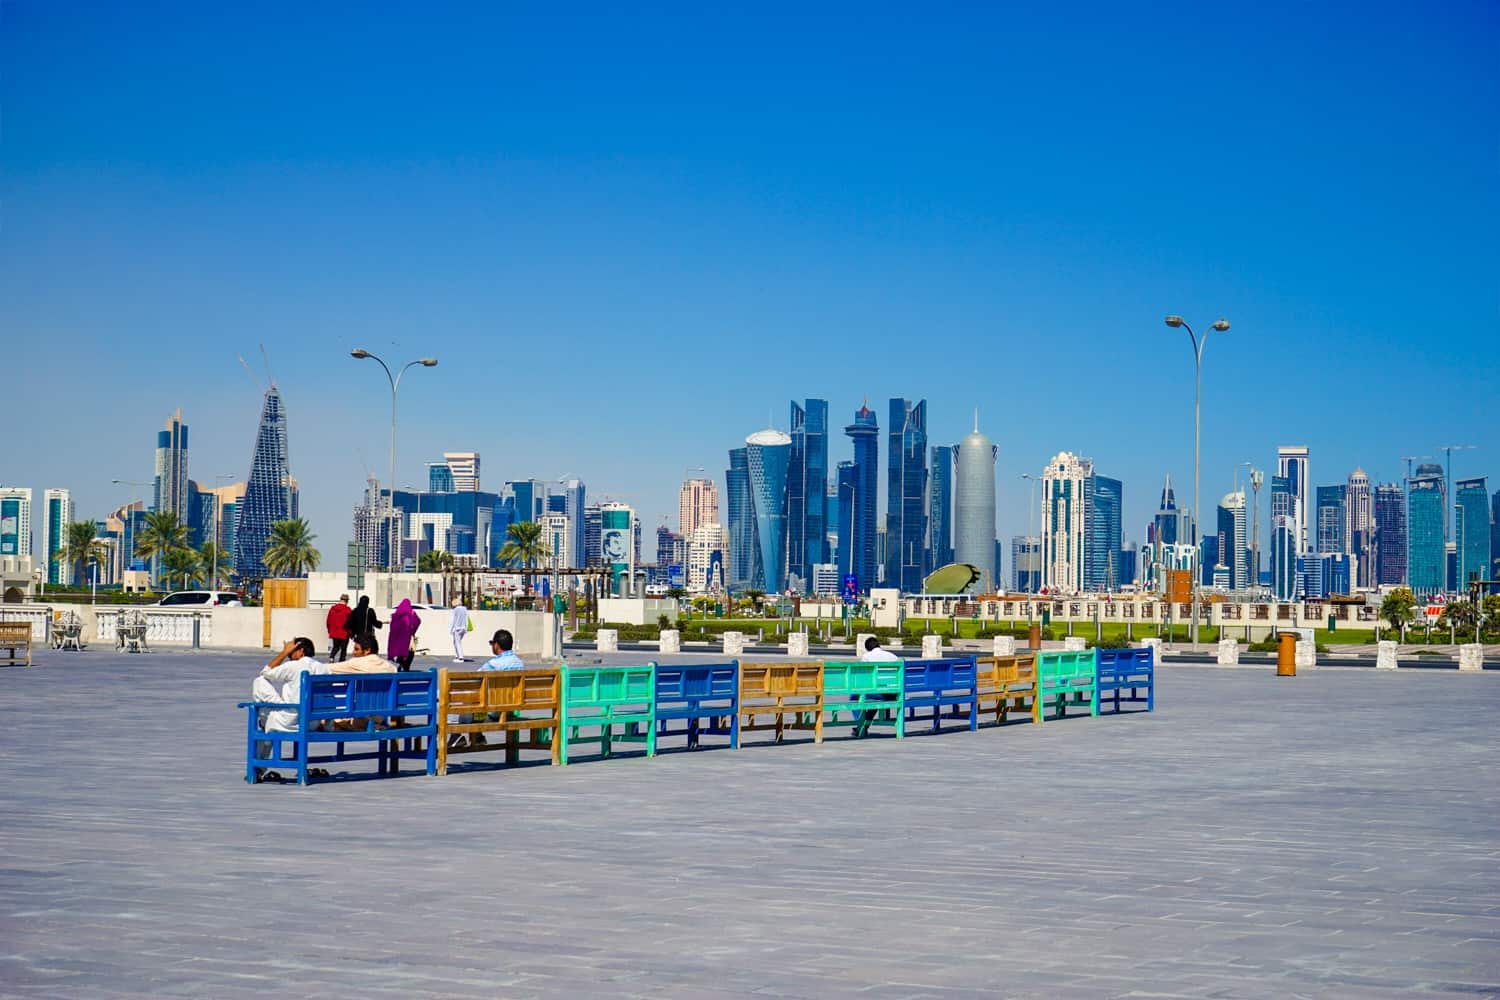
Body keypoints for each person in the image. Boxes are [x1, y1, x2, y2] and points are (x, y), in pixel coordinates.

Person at [249, 637, 328, 783]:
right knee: (268, 719)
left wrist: (284, 653)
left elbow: (266, 672)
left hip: (290, 721)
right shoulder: (324, 668)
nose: (290, 655)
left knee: (259, 682)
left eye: (292, 650)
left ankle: (259, 767)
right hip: (312, 722)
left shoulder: (294, 666)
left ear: (301, 650)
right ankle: (265, 722)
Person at [388, 598, 420, 671]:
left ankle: (400, 663)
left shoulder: (397, 614)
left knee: (400, 651)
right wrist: (413, 631)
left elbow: (393, 626)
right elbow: (418, 621)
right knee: (409, 652)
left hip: (398, 638)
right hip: (408, 638)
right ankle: (405, 666)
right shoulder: (412, 613)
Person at [325, 594, 352, 662]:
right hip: (344, 632)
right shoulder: (348, 610)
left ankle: (331, 657)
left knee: (335, 646)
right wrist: (351, 632)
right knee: (343, 648)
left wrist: (329, 630)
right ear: (347, 601)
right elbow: (350, 622)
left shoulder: (332, 609)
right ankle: (341, 661)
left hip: (334, 632)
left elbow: (328, 621)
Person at [449, 598, 469, 663]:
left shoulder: (455, 610)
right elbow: (466, 619)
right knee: (457, 642)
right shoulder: (464, 609)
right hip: (463, 628)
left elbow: (453, 620)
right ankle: (457, 656)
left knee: (457, 643)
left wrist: (451, 629)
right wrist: (466, 628)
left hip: (457, 628)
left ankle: (460, 657)